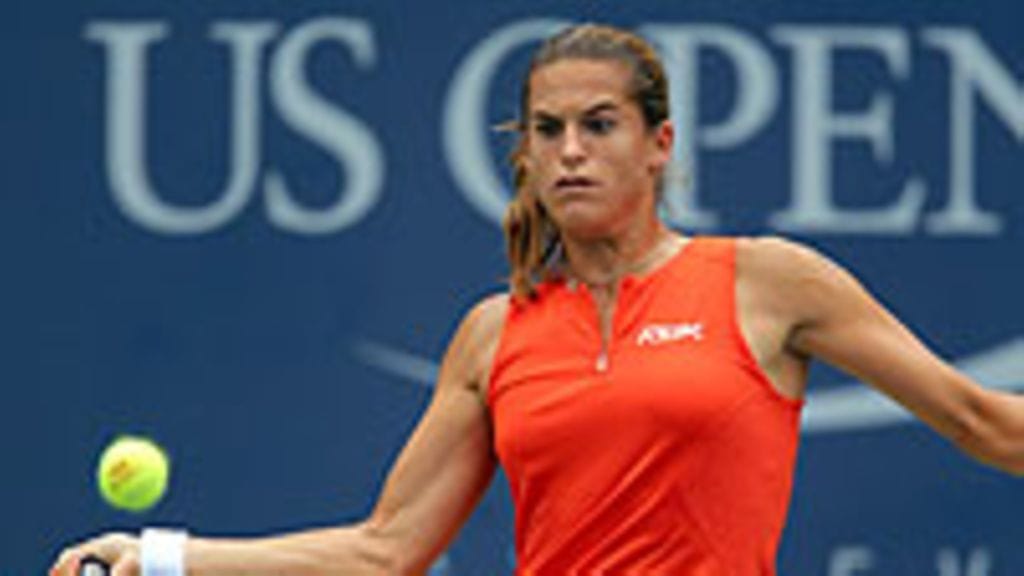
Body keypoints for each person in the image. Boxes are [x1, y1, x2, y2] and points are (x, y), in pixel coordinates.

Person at [52, 23, 1022, 576]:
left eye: (599, 125)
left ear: (660, 144)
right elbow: (384, 551)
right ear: (522, 153)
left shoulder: (767, 282)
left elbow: (982, 420)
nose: (569, 150)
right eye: (547, 129)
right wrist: (164, 558)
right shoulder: (491, 336)